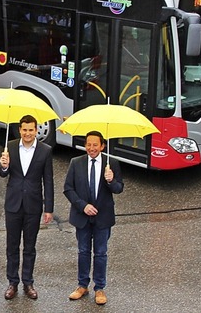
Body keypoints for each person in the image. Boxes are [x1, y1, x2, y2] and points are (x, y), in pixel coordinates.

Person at [63, 130, 124, 305]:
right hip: (82, 217)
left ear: (102, 146)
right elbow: (68, 188)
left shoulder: (111, 163)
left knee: (100, 253)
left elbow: (119, 188)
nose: (91, 148)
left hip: (103, 218)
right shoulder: (76, 163)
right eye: (88, 144)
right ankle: (82, 285)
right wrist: (83, 206)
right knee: (83, 251)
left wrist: (111, 181)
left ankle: (99, 288)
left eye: (95, 145)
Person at [0, 115, 54, 300]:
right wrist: (4, 166)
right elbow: (3, 173)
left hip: (33, 205)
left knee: (30, 247)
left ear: (36, 130)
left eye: (31, 130)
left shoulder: (45, 151)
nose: (28, 133)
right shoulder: (11, 147)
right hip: (13, 204)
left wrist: (49, 208)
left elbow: (48, 180)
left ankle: (28, 282)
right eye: (25, 129)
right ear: (20, 129)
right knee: (12, 246)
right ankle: (12, 282)